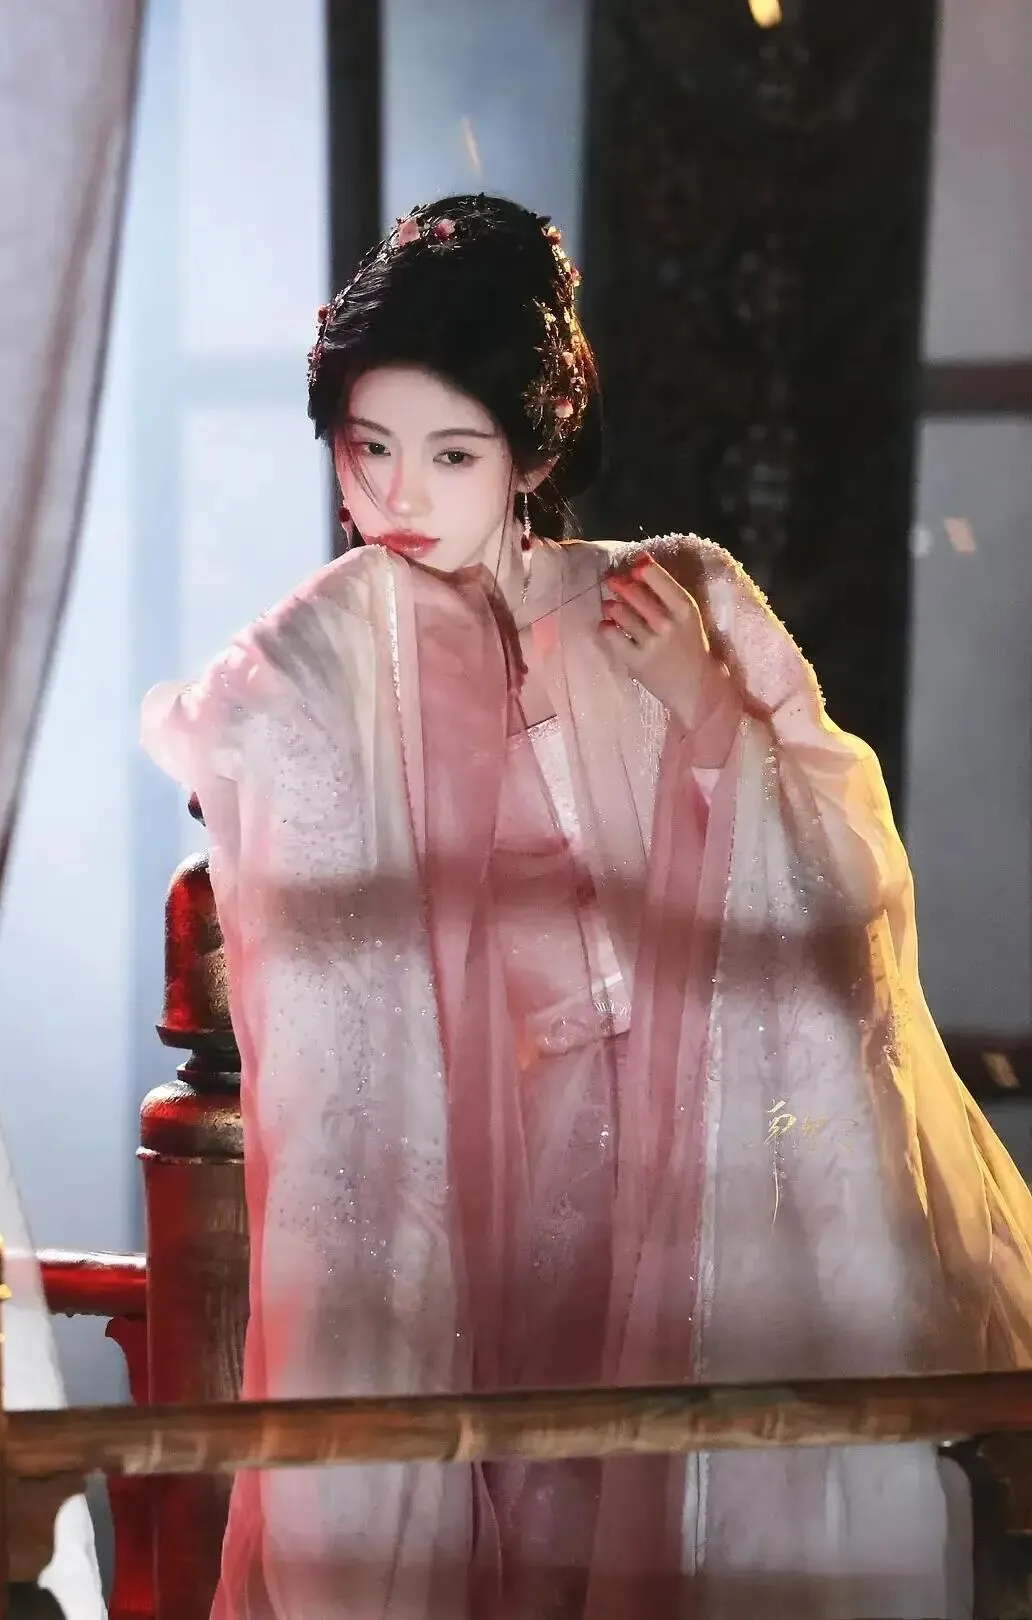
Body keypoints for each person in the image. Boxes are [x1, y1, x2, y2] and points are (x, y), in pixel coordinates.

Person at [141, 193, 1032, 1620]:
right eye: (367, 449)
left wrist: (708, 715)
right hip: (456, 1155)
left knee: (646, 1500)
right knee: (469, 1496)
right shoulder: (334, 635)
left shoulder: (676, 594)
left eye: (451, 454)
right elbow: (215, 733)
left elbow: (846, 887)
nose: (400, 496)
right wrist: (258, 776)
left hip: (672, 1144)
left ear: (534, 450)